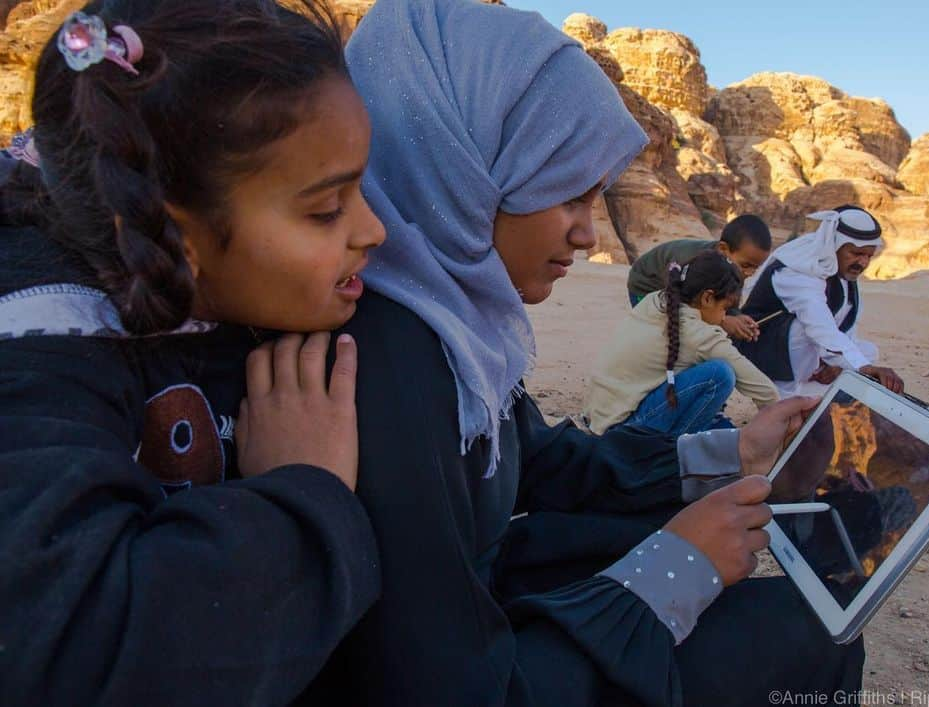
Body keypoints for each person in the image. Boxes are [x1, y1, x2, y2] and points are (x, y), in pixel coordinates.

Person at [293, 2, 864, 705]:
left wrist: (738, 453)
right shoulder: (387, 361)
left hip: (480, 613)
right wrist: (673, 571)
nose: (589, 236)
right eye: (568, 195)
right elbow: (447, 680)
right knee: (810, 636)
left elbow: (540, 459)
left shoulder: (448, 326)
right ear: (471, 167)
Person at [0, 2, 386, 703]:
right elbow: (76, 649)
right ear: (179, 237)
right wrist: (305, 494)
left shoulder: (257, 303)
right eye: (327, 210)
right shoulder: (31, 352)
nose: (375, 229)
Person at [585, 251, 779, 436]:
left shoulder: (655, 300)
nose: (724, 317)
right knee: (720, 374)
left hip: (599, 417)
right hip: (622, 429)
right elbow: (765, 392)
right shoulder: (699, 335)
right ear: (707, 298)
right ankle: (670, 451)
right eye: (725, 309)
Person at [738, 206, 904, 398]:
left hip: (806, 356)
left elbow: (845, 324)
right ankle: (783, 398)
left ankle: (812, 396)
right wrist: (860, 366)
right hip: (760, 351)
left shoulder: (840, 270)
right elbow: (818, 325)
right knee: (803, 329)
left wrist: (838, 364)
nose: (863, 263)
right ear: (834, 243)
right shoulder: (798, 269)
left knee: (867, 351)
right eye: (856, 253)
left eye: (868, 255)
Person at [627, 214, 772, 341]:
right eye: (746, 265)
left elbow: (728, 300)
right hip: (647, 283)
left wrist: (737, 317)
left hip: (676, 289)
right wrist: (723, 321)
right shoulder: (693, 262)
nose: (750, 273)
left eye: (756, 267)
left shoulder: (735, 269)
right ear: (723, 249)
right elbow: (681, 303)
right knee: (664, 334)